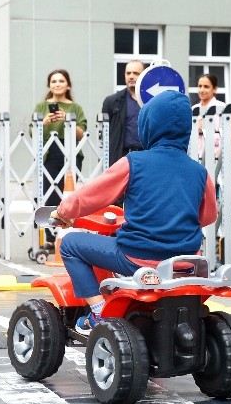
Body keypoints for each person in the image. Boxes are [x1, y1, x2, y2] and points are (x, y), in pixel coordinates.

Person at [51, 90, 218, 333]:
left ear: (148, 126)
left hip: (138, 257)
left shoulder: (134, 162)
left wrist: (64, 212)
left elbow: (92, 194)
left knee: (71, 244)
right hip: (185, 261)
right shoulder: (199, 172)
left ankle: (98, 312)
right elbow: (208, 216)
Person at [33, 69, 86, 216]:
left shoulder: (75, 108)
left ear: (68, 85)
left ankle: (66, 228)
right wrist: (44, 122)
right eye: (54, 81)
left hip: (71, 153)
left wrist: (68, 119)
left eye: (61, 81)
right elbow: (33, 132)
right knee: (49, 193)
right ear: (49, 86)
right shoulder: (41, 107)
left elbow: (82, 134)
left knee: (68, 193)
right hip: (49, 153)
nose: (57, 84)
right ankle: (50, 232)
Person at [102, 60, 145, 167]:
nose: (131, 76)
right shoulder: (112, 102)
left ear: (143, 75)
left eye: (136, 73)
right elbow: (104, 134)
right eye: (128, 73)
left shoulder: (151, 101)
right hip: (121, 158)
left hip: (146, 156)